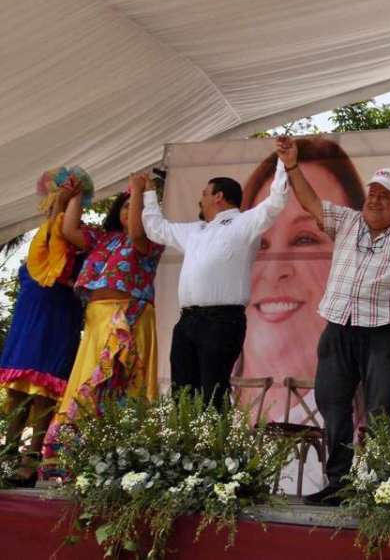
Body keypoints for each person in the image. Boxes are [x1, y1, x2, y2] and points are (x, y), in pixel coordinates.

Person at [276, 136, 390, 506]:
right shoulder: (348, 221)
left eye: (385, 194)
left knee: (379, 407)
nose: (375, 198)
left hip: (386, 329)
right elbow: (310, 202)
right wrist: (291, 166)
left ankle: (378, 485)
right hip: (339, 324)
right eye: (372, 192)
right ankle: (340, 481)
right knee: (332, 402)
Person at [141, 158, 289, 407]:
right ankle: (185, 445)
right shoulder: (195, 230)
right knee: (182, 394)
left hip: (222, 320)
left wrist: (284, 163)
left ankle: (214, 446)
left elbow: (276, 202)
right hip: (188, 320)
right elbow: (156, 229)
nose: (201, 200)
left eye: (204, 194)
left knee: (213, 392)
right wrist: (147, 192)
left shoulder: (244, 223)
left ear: (218, 196)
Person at [239, 138, 365, 420]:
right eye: (260, 243)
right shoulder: (206, 409)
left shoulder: (385, 428)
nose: (274, 271)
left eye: (305, 239)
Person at [43, 175, 164, 461]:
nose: (127, 210)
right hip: (98, 319)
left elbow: (136, 233)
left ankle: (121, 456)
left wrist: (138, 191)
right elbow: (69, 229)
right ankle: (77, 455)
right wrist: (77, 196)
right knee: (88, 382)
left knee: (124, 383)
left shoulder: (151, 240)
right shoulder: (102, 239)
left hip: (130, 317)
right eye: (123, 206)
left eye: (132, 206)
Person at [0, 170, 89, 485]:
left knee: (43, 393)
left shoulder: (78, 244)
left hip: (56, 319)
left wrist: (68, 199)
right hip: (27, 320)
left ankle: (30, 461)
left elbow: (60, 227)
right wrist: (61, 200)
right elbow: (50, 228)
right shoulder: (39, 248)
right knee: (14, 391)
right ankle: (8, 458)